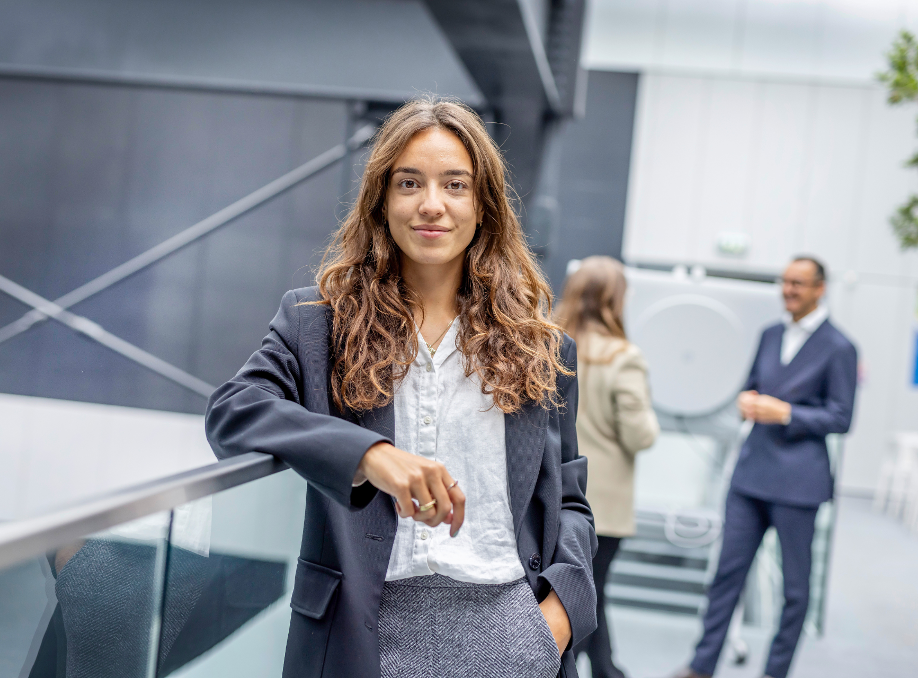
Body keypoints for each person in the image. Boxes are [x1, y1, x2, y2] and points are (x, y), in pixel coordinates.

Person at [205, 98, 598, 678]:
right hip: (362, 635)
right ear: (382, 200)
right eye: (409, 182)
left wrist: (558, 618)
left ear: (483, 204)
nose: (431, 205)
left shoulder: (539, 348)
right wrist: (370, 456)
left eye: (455, 185)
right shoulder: (319, 324)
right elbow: (234, 412)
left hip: (510, 633)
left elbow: (568, 501)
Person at [669, 256, 858, 678]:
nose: (788, 290)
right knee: (726, 578)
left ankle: (775, 673)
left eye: (798, 284)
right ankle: (701, 666)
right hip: (750, 477)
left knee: (795, 591)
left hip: (798, 483)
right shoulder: (770, 334)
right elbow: (754, 383)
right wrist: (746, 401)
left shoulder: (840, 348)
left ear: (820, 289)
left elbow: (842, 418)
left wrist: (787, 413)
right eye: (785, 282)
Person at [555, 257, 659, 678]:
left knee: (578, 590)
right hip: (604, 506)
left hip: (557, 493)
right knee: (590, 591)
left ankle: (605, 668)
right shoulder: (624, 358)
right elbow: (640, 435)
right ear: (614, 300)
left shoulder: (549, 343)